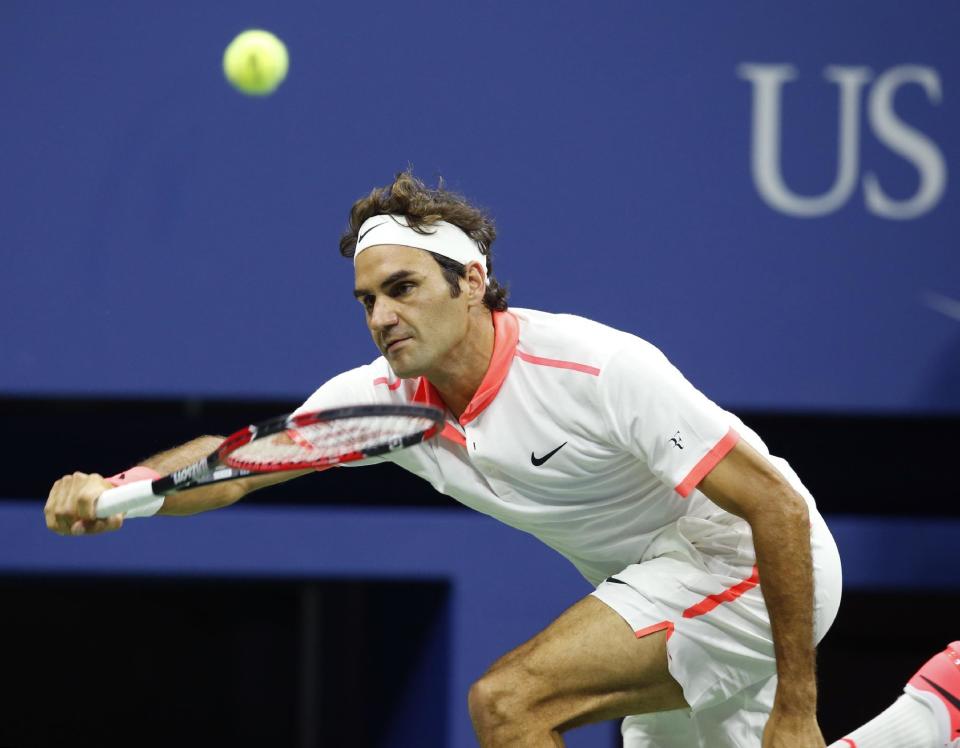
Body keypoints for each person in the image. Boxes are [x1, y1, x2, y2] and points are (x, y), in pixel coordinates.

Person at [45, 172, 959, 748]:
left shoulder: (596, 365)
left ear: (470, 281)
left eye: (402, 289)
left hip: (750, 568)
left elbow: (777, 508)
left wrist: (796, 702)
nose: (381, 316)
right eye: (367, 299)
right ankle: (937, 713)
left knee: (508, 703)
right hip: (650, 588)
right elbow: (236, 464)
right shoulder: (376, 404)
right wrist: (118, 492)